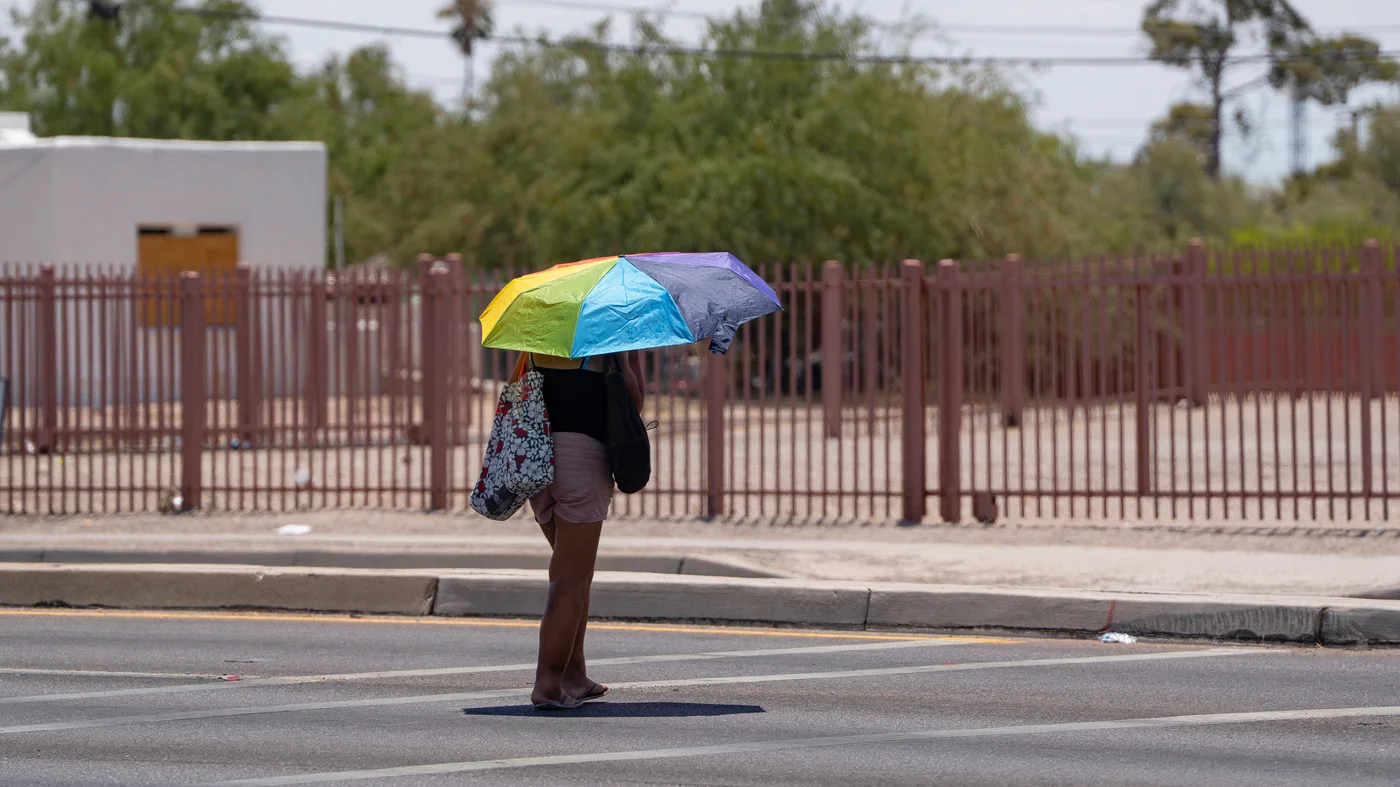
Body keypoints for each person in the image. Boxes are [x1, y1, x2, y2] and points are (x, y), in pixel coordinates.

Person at [527, 350, 644, 711]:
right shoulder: (609, 336)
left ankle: (574, 675)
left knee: (577, 574)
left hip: (535, 458)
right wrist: (627, 360)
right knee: (570, 578)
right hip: (580, 461)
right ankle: (548, 683)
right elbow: (633, 403)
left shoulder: (539, 332)